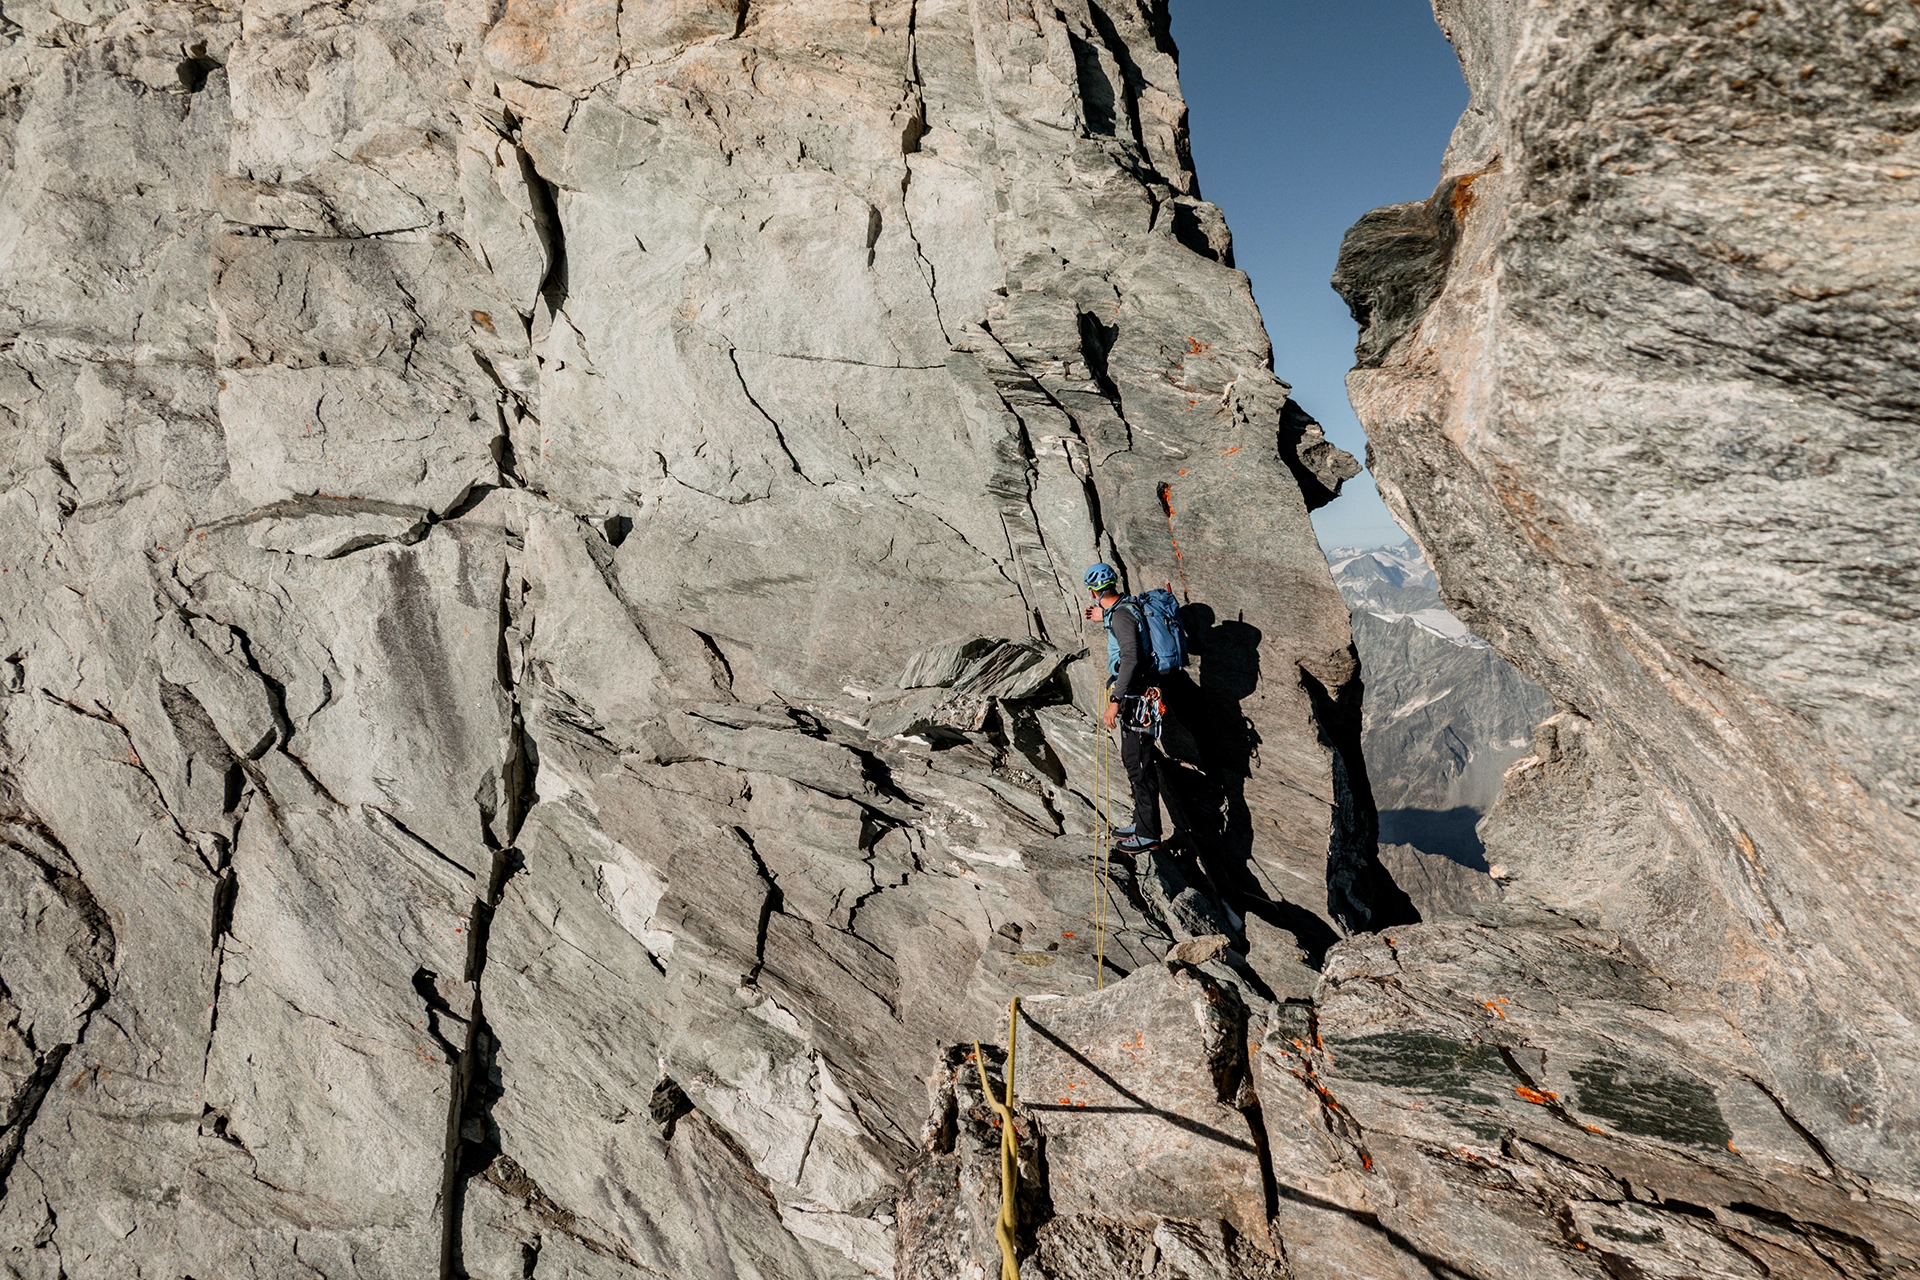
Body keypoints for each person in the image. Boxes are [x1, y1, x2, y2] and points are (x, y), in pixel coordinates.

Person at [1083, 563, 1162, 852]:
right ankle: (1142, 824)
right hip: (1138, 694)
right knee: (1137, 763)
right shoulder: (1122, 608)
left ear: (1093, 591)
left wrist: (1115, 702)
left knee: (1138, 765)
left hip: (1135, 698)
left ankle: (1149, 834)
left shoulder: (1122, 616)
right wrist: (1103, 616)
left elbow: (1130, 658)